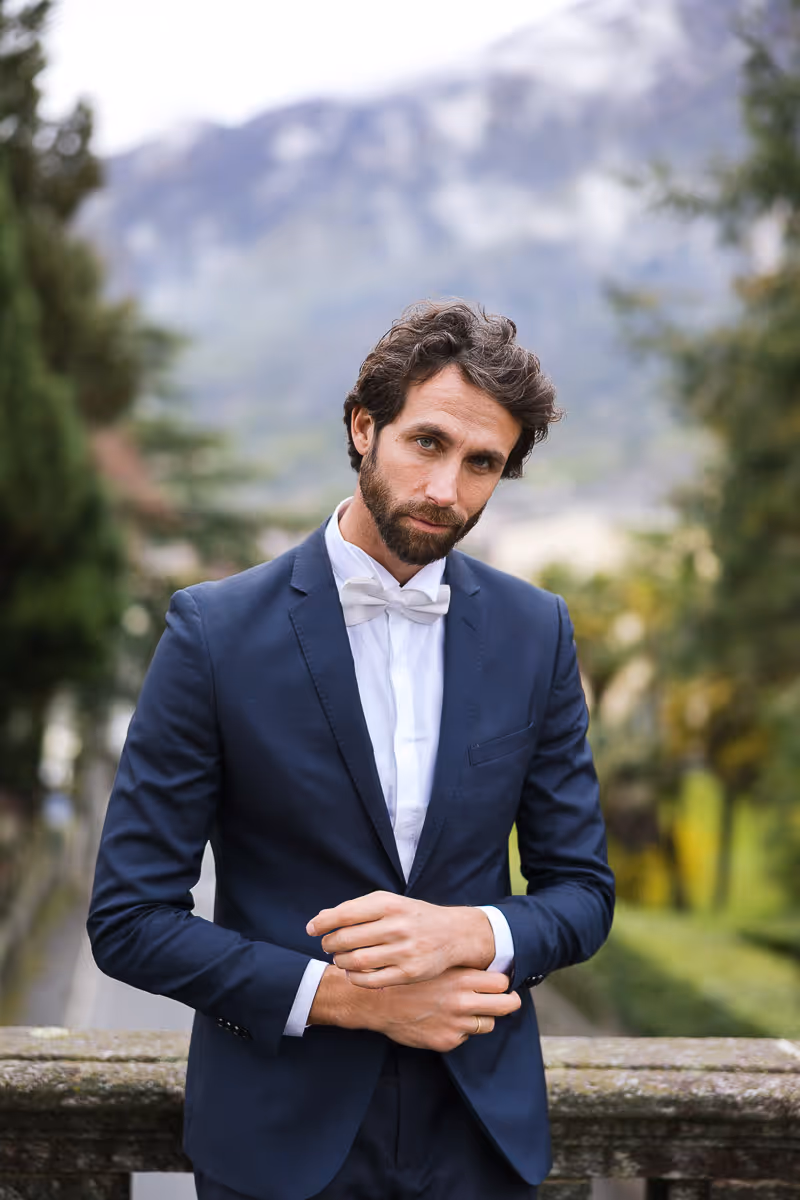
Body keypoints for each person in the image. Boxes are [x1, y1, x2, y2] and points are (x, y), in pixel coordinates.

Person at [87, 300, 615, 1200]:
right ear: (364, 426)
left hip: (482, 1140)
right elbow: (130, 920)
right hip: (277, 1143)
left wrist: (472, 931)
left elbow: (583, 895)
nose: (448, 489)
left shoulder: (538, 631)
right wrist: (355, 1000)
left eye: (482, 463)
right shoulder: (212, 634)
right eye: (428, 443)